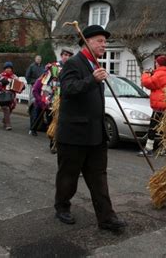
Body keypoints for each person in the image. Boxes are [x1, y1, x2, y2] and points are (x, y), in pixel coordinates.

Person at [54, 25, 127, 232]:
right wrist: (91, 79)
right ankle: (62, 207)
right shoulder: (74, 64)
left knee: (99, 178)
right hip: (74, 135)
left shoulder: (96, 64)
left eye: (105, 41)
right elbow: (67, 90)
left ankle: (106, 218)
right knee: (68, 176)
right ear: (86, 42)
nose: (104, 45)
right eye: (99, 41)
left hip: (96, 134)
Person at [137, 55, 166, 157]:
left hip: (160, 106)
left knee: (153, 127)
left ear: (158, 63)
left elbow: (147, 83)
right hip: (165, 105)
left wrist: (145, 74)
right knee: (165, 128)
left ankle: (149, 149)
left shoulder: (160, 74)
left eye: (156, 62)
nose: (155, 64)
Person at [0, 62, 19, 130]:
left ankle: (5, 119)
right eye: (7, 68)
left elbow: (19, 86)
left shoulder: (14, 77)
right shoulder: (1, 76)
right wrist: (1, 83)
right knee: (6, 108)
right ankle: (8, 124)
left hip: (11, 96)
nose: (8, 69)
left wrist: (21, 87)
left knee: (10, 108)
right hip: (2, 96)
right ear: (4, 69)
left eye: (10, 68)